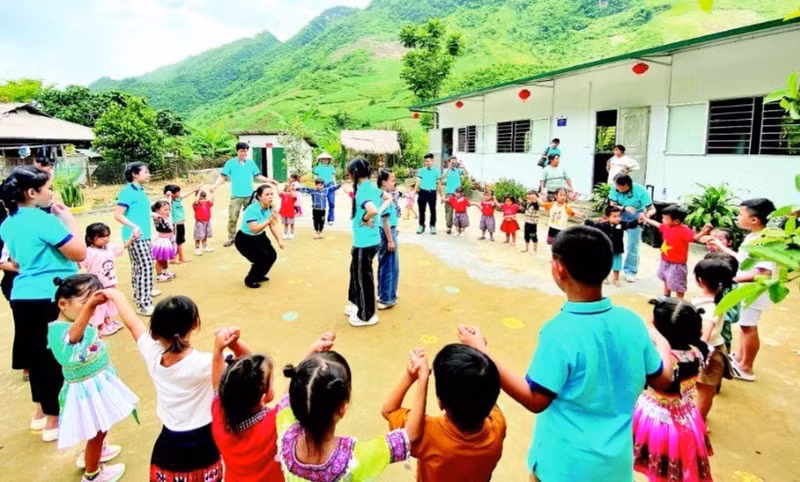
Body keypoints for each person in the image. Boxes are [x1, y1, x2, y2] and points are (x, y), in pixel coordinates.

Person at [457, 225, 674, 482]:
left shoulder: (559, 332)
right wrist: (664, 345)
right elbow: (662, 380)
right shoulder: (632, 322)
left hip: (562, 468)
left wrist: (482, 352)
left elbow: (535, 399)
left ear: (559, 269)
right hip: (616, 468)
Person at [0, 165, 86, 441]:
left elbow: (15, 261)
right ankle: (54, 421)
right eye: (48, 188)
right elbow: (79, 252)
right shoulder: (43, 221)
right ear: (31, 193)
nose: (51, 193)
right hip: (49, 295)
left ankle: (41, 414)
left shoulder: (8, 223)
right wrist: (69, 220)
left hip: (23, 295)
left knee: (36, 357)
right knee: (55, 357)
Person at [116, 294, 224, 482]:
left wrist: (114, 295)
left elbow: (133, 323)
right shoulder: (205, 363)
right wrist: (223, 348)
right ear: (195, 324)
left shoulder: (153, 354)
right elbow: (246, 365)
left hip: (169, 440)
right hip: (204, 439)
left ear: (155, 332)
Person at [277, 339, 411, 481]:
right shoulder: (355, 458)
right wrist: (413, 376)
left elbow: (288, 397)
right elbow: (409, 437)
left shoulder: (286, 439)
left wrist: (309, 360)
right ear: (342, 408)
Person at [48, 275, 138, 482]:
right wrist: (90, 307)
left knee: (100, 425)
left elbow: (85, 339)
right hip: (86, 389)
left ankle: (98, 450)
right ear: (63, 304)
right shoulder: (59, 330)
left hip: (96, 383)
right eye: (85, 303)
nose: (91, 309)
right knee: (97, 431)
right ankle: (92, 473)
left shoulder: (75, 321)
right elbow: (73, 338)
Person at [383, 344, 506, 482]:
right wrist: (480, 362)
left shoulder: (429, 436)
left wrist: (416, 377)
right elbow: (485, 392)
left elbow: (389, 410)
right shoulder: (498, 425)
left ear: (440, 403)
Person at [633, 298, 713, 482]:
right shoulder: (699, 351)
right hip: (687, 416)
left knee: (657, 463)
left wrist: (656, 340)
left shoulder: (659, 359)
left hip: (656, 418)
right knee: (677, 464)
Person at [709, 198, 776, 381]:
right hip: (745, 290)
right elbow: (742, 260)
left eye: (741, 214)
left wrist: (730, 279)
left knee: (749, 327)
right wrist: (721, 247)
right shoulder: (753, 236)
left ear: (754, 219)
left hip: (753, 291)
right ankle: (739, 358)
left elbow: (763, 273)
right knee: (744, 326)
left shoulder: (763, 241)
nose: (737, 218)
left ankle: (747, 367)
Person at [211, 329, 285, 481]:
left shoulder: (220, 415)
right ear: (263, 398)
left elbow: (219, 383)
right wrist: (312, 354)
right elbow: (294, 394)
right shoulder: (274, 423)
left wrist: (220, 349)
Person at [345, 158, 390, 326]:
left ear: (354, 174)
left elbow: (372, 209)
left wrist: (366, 218)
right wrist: (377, 213)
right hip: (368, 240)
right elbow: (388, 198)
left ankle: (367, 315)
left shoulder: (364, 190)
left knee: (363, 278)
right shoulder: (371, 187)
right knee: (355, 273)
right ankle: (358, 304)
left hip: (364, 243)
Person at [692, 256, 737, 420]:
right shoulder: (716, 301)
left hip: (708, 353)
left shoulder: (709, 307)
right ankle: (699, 417)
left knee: (705, 390)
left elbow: (706, 333)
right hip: (711, 350)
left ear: (700, 281)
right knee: (703, 388)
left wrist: (698, 350)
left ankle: (700, 421)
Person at [114, 162, 158, 316]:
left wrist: (152, 215)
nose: (149, 174)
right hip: (136, 237)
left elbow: (138, 210)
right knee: (145, 267)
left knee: (138, 267)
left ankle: (140, 294)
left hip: (144, 235)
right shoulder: (127, 192)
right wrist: (134, 226)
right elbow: (118, 215)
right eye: (145, 172)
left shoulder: (140, 190)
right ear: (135, 174)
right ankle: (144, 304)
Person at [211, 142, 272, 247]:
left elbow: (258, 176)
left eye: (245, 151)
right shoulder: (230, 163)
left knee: (253, 216)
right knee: (233, 217)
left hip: (250, 196)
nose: (243, 153)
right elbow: (223, 176)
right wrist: (215, 186)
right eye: (241, 151)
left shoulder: (251, 163)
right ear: (237, 151)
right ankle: (231, 237)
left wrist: (269, 180)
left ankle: (253, 236)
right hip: (236, 196)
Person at [81, 222, 138, 336]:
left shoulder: (109, 247)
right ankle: (100, 327)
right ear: (90, 238)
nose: (105, 239)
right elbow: (78, 261)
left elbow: (122, 247)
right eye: (101, 237)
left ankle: (108, 321)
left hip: (110, 282)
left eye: (107, 235)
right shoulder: (88, 252)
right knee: (99, 306)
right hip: (97, 285)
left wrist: (131, 240)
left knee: (109, 303)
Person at [235, 183, 284, 289]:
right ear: (259, 197)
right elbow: (254, 228)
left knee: (271, 255)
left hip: (259, 237)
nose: (270, 197)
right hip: (245, 240)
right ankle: (250, 280)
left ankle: (259, 275)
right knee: (260, 259)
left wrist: (279, 240)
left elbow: (272, 225)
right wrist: (269, 219)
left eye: (271, 194)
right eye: (267, 194)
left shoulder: (269, 207)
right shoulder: (252, 209)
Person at [640, 204, 694, 299]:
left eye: (665, 218)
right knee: (666, 278)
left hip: (677, 263)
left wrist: (704, 232)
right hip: (665, 260)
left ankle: (679, 301)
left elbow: (694, 238)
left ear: (676, 221)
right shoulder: (666, 227)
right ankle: (666, 296)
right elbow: (656, 224)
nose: (662, 220)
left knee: (678, 283)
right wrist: (645, 219)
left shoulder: (684, 231)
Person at [608, 174, 655, 282]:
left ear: (626, 185)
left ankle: (630, 271)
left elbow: (652, 209)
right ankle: (610, 268)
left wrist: (646, 215)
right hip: (618, 216)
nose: (616, 189)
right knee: (613, 243)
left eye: (619, 187)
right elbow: (612, 205)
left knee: (632, 246)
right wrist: (624, 207)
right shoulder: (614, 188)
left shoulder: (641, 191)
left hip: (636, 218)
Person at [584, 206, 640, 286]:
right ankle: (604, 277)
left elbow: (629, 225)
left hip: (617, 248)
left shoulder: (621, 224)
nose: (618, 218)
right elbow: (593, 225)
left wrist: (637, 221)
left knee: (617, 264)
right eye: (614, 216)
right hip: (605, 248)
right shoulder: (603, 225)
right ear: (607, 217)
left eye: (619, 216)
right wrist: (587, 221)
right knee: (604, 264)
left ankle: (616, 279)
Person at [377, 169, 399, 310]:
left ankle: (383, 293)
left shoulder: (381, 195)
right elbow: (385, 220)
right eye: (392, 180)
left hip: (385, 232)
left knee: (384, 264)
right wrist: (390, 240)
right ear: (384, 182)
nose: (394, 183)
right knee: (389, 266)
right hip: (387, 233)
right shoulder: (385, 198)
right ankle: (386, 298)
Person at [163, 184, 198, 264]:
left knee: (180, 241)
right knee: (177, 242)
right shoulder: (169, 202)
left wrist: (194, 190)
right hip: (176, 224)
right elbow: (168, 205)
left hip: (180, 223)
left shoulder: (178, 199)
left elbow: (185, 195)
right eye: (177, 192)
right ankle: (174, 258)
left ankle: (180, 257)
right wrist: (169, 196)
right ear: (172, 194)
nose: (179, 193)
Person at [151, 201, 177, 283]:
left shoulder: (167, 217)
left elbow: (169, 202)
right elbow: (152, 215)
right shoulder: (158, 218)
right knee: (160, 258)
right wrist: (155, 215)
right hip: (162, 241)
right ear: (157, 210)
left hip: (168, 240)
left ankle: (165, 271)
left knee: (165, 257)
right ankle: (159, 275)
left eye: (168, 209)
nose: (168, 211)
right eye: (165, 210)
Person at [416, 153, 442, 235]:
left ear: (432, 161)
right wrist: (414, 192)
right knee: (421, 210)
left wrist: (441, 195)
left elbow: (439, 184)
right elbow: (418, 182)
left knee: (433, 210)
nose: (426, 163)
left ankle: (432, 226)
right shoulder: (421, 170)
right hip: (422, 192)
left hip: (432, 193)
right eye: (425, 161)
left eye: (428, 161)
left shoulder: (436, 171)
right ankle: (421, 225)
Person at [442, 157, 468, 235]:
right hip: (449, 193)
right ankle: (449, 227)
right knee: (449, 211)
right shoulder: (446, 170)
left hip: (459, 194)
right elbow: (443, 177)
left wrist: (463, 167)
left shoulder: (458, 170)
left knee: (460, 211)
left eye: (454, 162)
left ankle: (459, 227)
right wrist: (449, 167)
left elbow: (466, 174)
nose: (453, 163)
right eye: (452, 162)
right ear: (448, 162)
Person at [312, 152, 338, 225]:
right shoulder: (317, 168)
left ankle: (331, 219)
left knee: (332, 203)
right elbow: (315, 177)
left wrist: (335, 187)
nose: (326, 160)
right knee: (321, 204)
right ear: (321, 159)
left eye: (327, 159)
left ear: (329, 160)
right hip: (321, 186)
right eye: (324, 158)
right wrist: (316, 186)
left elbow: (333, 177)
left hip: (330, 185)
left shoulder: (331, 167)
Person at [192, 189, 215, 256]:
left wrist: (212, 193)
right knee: (198, 236)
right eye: (201, 199)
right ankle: (197, 249)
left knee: (205, 235)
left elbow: (212, 200)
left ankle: (205, 247)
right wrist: (199, 192)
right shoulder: (196, 205)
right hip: (200, 222)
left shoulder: (207, 204)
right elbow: (196, 201)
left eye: (204, 199)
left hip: (207, 222)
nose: (203, 200)